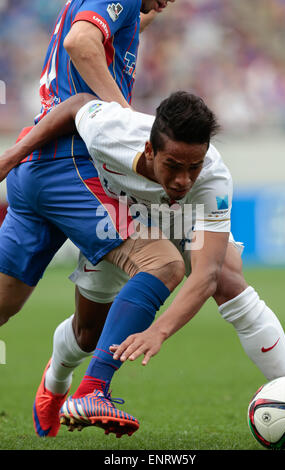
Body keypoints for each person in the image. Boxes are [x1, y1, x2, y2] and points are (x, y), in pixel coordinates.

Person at [1, 91, 285, 438]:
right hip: (117, 216)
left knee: (228, 277)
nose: (184, 180)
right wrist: (12, 156)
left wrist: (160, 330)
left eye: (194, 167)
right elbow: (76, 104)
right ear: (150, 150)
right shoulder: (113, 131)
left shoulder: (213, 180)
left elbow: (206, 275)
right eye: (172, 165)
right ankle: (56, 380)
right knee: (88, 333)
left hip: (179, 221)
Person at [0, 0, 177, 438]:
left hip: (40, 161)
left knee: (74, 323)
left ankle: (61, 383)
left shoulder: (121, 10)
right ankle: (93, 388)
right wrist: (126, 120)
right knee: (164, 263)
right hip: (74, 165)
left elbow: (102, 30)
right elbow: (81, 42)